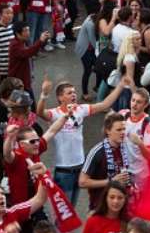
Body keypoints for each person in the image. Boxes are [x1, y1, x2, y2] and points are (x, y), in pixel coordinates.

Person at [36, 76, 124, 205]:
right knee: (65, 211)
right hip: (64, 170)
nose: (74, 95)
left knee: (73, 208)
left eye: (74, 92)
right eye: (69, 93)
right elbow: (40, 112)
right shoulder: (55, 114)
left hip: (80, 168)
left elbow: (104, 104)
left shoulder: (80, 110)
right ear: (60, 97)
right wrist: (44, 95)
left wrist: (121, 85)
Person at [80, 112, 131, 210]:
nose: (123, 133)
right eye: (119, 130)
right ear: (108, 131)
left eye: (124, 129)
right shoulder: (97, 152)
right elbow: (82, 182)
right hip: (99, 208)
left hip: (118, 207)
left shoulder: (124, 148)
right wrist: (111, 182)